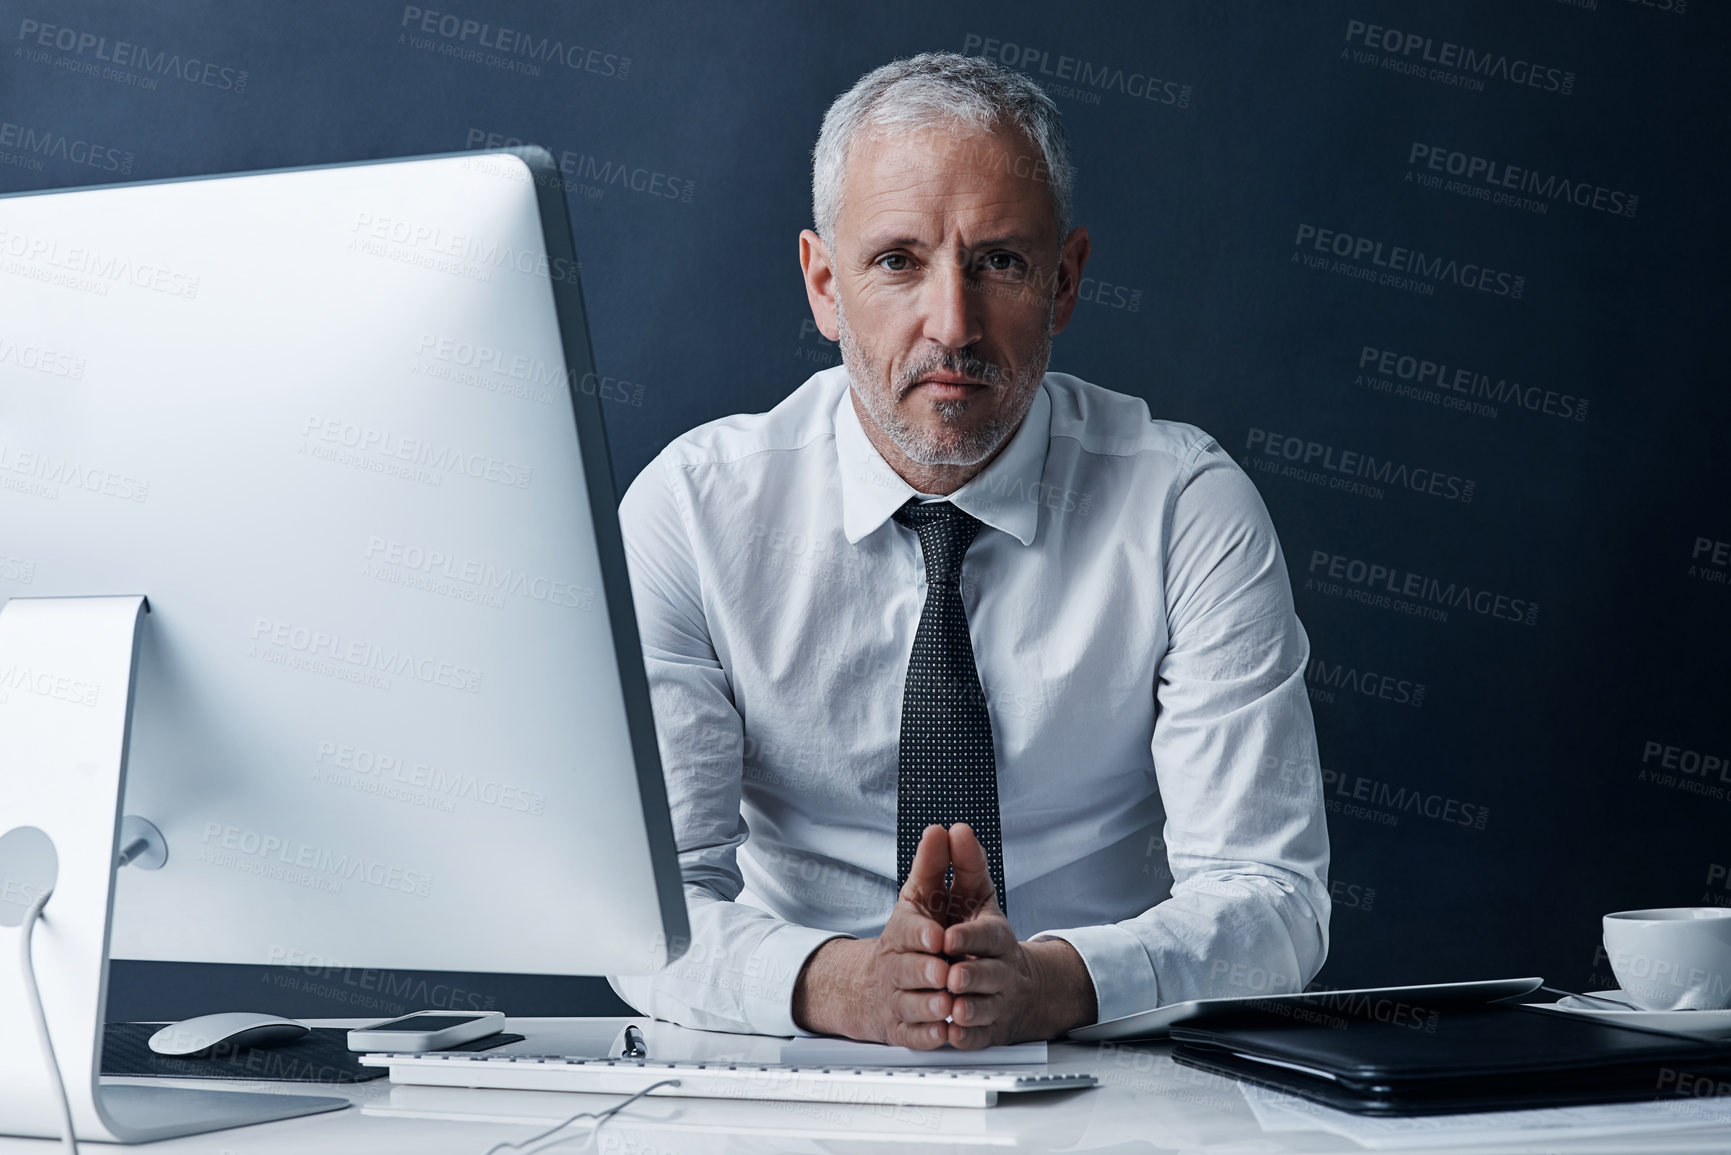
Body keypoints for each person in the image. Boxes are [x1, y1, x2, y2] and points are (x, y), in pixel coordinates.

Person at [609, 51, 1328, 1049]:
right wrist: (845, 985)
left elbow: (1273, 897)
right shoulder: (692, 514)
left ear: (1066, 281)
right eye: (898, 261)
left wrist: (1056, 983)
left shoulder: (1184, 508)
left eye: (998, 261)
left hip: (1117, 1070)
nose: (953, 325)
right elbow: (643, 918)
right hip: (785, 1070)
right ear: (824, 285)